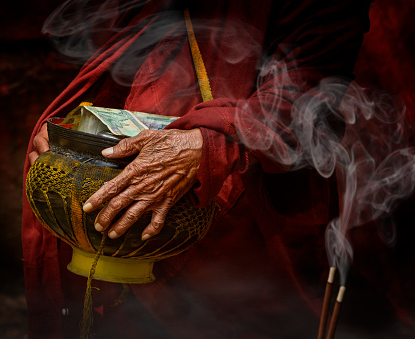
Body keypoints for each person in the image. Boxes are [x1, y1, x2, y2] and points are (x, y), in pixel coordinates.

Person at [23, 0, 373, 337]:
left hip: (242, 211)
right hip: (124, 208)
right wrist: (75, 131)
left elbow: (310, 93)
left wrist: (208, 144)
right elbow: (131, 53)